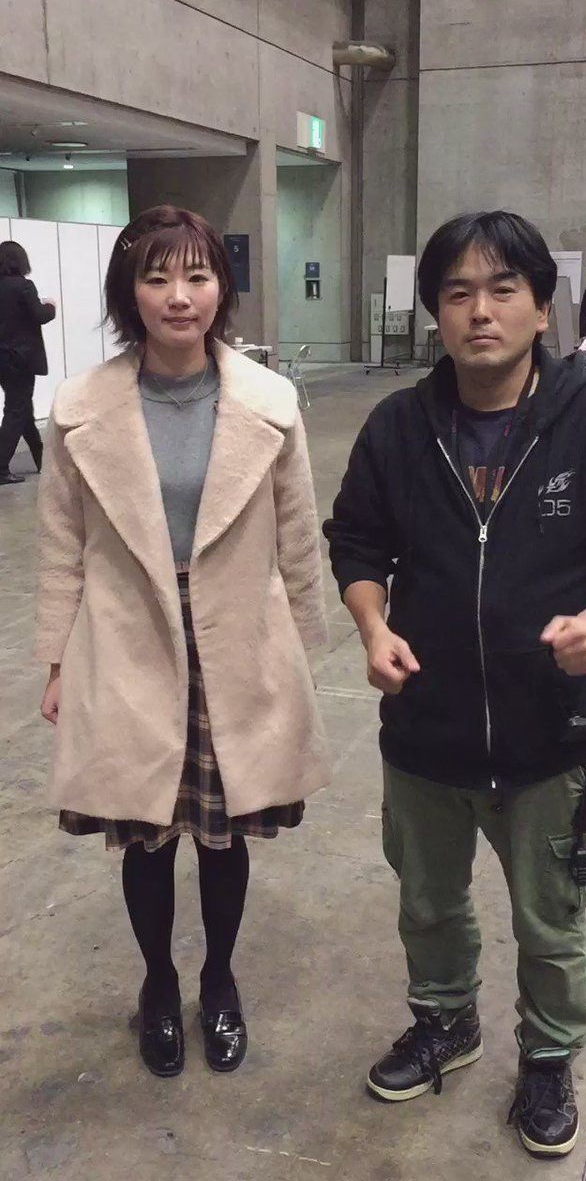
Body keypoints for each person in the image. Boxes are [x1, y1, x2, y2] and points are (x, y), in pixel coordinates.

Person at [323, 211, 586, 1158]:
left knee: (550, 919)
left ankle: (548, 1056)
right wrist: (372, 627)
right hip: (425, 727)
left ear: (540, 306)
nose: (480, 311)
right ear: (436, 312)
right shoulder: (399, 427)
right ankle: (445, 1021)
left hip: (548, 729)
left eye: (501, 290)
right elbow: (356, 543)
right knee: (428, 903)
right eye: (457, 293)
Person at [36, 205, 330, 1079]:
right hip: (128, 633)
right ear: (128, 293)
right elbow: (60, 542)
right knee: (145, 833)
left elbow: (297, 534)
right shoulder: (81, 408)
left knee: (222, 831)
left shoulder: (268, 403)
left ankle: (219, 978)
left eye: (197, 276)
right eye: (157, 277)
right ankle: (159, 983)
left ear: (220, 290)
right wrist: (56, 661)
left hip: (237, 632)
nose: (178, 295)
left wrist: (303, 651)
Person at [0, 240, 56, 485]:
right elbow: (40, 315)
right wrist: (50, 306)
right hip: (20, 359)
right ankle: (1, 468)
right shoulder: (23, 286)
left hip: (3, 359)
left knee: (22, 408)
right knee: (16, 410)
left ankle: (41, 458)